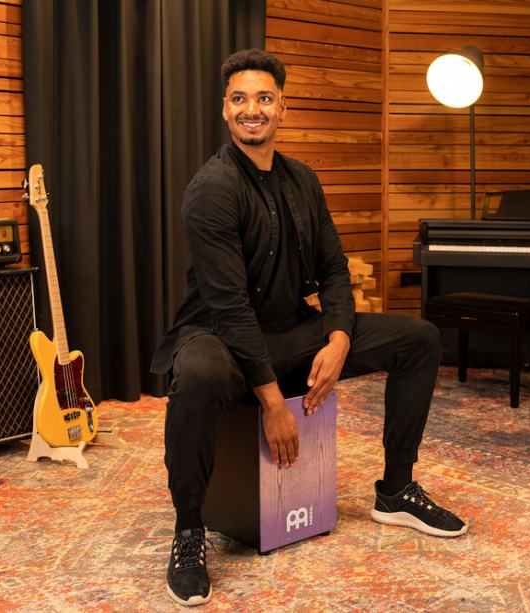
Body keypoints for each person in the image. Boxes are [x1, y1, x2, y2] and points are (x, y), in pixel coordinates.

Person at [150, 48, 467, 607]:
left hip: (292, 328)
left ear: (283, 108)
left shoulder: (303, 178)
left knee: (419, 339)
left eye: (264, 98)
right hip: (218, 334)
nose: (252, 109)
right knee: (197, 377)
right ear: (225, 109)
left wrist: (339, 338)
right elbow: (230, 307)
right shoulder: (211, 189)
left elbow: (334, 268)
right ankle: (189, 529)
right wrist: (274, 404)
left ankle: (396, 490)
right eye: (240, 99)